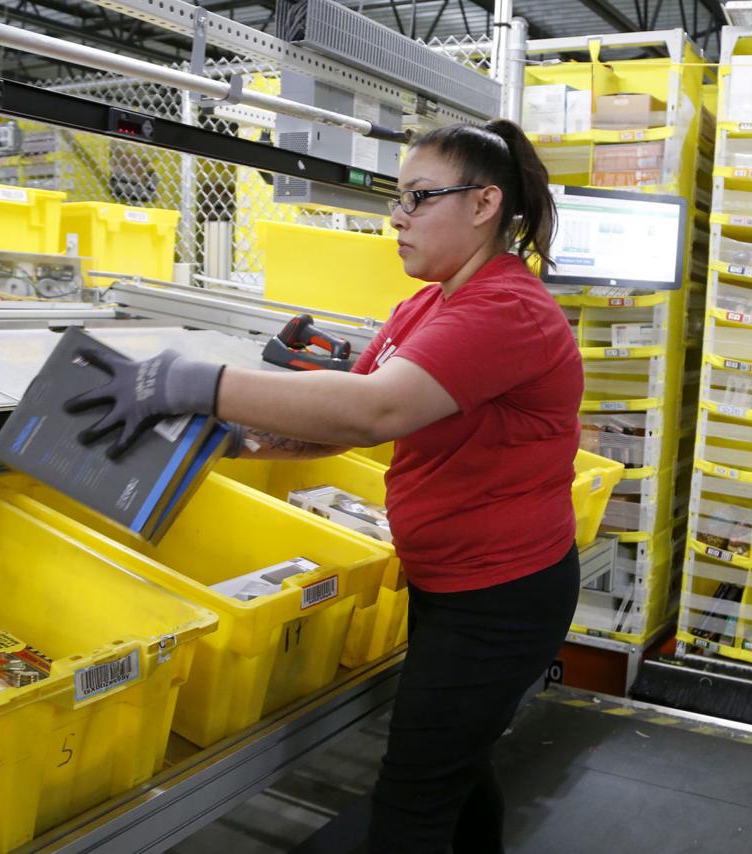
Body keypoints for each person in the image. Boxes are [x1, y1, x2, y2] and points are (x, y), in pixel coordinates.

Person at [66, 119, 585, 852]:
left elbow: (376, 410)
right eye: (397, 199)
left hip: (500, 596)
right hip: (454, 582)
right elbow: (342, 420)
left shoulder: (507, 309)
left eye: (419, 197)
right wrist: (227, 446)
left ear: (483, 204)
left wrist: (192, 382)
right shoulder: (426, 305)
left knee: (413, 801)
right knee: (455, 768)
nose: (397, 218)